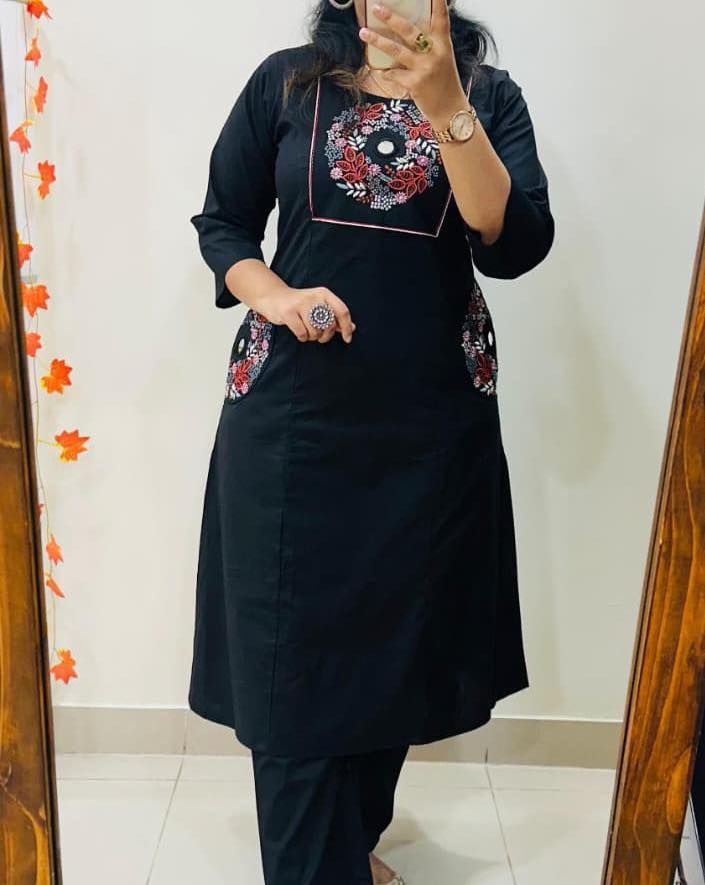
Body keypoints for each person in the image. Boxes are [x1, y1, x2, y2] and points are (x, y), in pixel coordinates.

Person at [188, 0, 554, 881]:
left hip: (430, 427)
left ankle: (345, 846)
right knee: (288, 663)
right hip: (292, 420)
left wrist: (446, 105)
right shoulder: (285, 84)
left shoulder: (488, 97)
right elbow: (223, 222)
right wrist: (276, 296)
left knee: (396, 649)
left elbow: (512, 244)